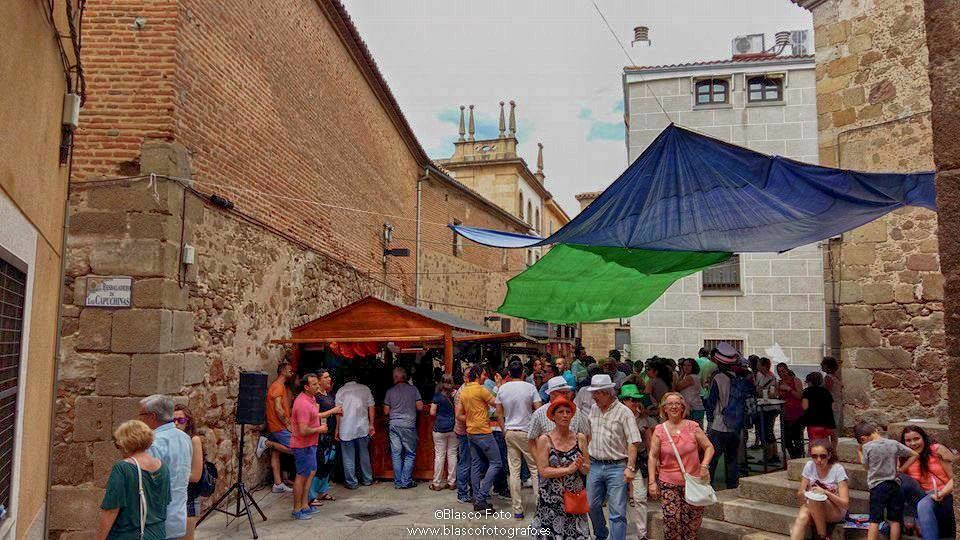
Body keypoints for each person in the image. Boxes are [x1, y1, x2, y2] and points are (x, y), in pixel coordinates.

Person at [648, 392, 714, 540]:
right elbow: (652, 456)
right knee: (672, 522)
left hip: (693, 483)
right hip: (669, 483)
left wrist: (704, 466)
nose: (674, 407)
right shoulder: (659, 430)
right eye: (670, 404)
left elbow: (709, 447)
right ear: (664, 408)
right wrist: (652, 481)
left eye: (677, 403)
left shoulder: (693, 426)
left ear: (683, 407)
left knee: (692, 525)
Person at [585, 374, 642, 540]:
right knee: (591, 505)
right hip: (595, 465)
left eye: (597, 393)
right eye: (593, 393)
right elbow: (589, 434)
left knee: (617, 511)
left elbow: (633, 442)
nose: (593, 396)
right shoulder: (594, 409)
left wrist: (630, 468)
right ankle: (601, 535)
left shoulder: (624, 412)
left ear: (608, 392)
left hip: (617, 466)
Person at [97, 420, 171, 540]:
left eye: (117, 444)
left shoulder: (122, 468)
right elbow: (165, 502)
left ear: (125, 442)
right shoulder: (163, 466)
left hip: (129, 534)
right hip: (158, 534)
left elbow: (111, 510)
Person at [530, 398, 591, 539]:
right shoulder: (545, 440)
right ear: (553, 416)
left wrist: (581, 466)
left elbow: (587, 469)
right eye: (561, 412)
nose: (565, 415)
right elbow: (543, 470)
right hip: (551, 499)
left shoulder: (579, 438)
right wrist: (568, 470)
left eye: (568, 412)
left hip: (574, 499)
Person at [854, 422, 919, 540]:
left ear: (863, 438)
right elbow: (914, 454)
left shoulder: (867, 447)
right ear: (876, 430)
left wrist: (859, 451)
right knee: (895, 520)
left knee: (874, 520)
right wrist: (902, 469)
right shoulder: (893, 443)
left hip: (878, 486)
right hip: (895, 484)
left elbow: (865, 466)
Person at [140, 394, 192, 539]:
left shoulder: (154, 442)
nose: (140, 420)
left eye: (141, 415)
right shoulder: (185, 438)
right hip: (177, 516)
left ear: (152, 416)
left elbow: (149, 484)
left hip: (157, 520)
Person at [495, 360, 542, 518]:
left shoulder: (502, 389)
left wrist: (504, 430)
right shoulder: (530, 388)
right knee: (534, 469)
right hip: (527, 432)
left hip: (510, 431)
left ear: (508, 373)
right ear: (523, 372)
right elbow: (539, 410)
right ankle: (539, 505)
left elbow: (499, 413)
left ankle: (517, 509)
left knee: (514, 471)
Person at [704, 343, 753, 489]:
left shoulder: (718, 378)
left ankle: (708, 487)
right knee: (732, 459)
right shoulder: (738, 378)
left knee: (712, 458)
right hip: (735, 425)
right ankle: (732, 486)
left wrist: (711, 421)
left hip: (719, 424)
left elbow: (711, 402)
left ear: (718, 361)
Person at [457, 364, 502, 511]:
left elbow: (458, 415)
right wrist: (499, 386)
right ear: (477, 375)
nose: (485, 377)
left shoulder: (463, 391)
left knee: (475, 465)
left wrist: (471, 418)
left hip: (471, 431)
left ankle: (476, 497)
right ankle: (481, 496)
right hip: (483, 431)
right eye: (483, 374)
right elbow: (497, 403)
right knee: (496, 462)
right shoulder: (481, 390)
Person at [898, 425, 955, 539]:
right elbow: (897, 476)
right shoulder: (904, 457)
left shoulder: (937, 450)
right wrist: (913, 457)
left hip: (942, 495)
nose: (913, 443)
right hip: (920, 495)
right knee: (899, 479)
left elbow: (956, 478)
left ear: (923, 438)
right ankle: (906, 519)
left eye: (916, 439)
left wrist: (942, 493)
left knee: (924, 505)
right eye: (908, 440)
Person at [788, 440, 850, 540]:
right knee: (802, 517)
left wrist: (825, 493)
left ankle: (822, 535)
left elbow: (845, 504)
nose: (818, 460)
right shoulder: (809, 466)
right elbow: (800, 494)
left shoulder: (838, 469)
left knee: (814, 500)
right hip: (813, 507)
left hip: (835, 510)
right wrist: (803, 494)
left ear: (829, 455)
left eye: (823, 456)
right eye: (814, 456)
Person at [619, 384, 655, 540]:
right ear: (623, 401)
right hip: (618, 462)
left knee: (640, 497)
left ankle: (642, 534)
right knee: (618, 498)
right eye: (630, 399)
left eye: (636, 399)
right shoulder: (616, 418)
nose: (634, 402)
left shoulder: (643, 420)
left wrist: (653, 461)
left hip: (638, 462)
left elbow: (649, 442)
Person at [290, 373, 326, 520]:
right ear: (306, 387)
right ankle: (296, 509)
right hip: (302, 445)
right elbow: (303, 430)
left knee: (309, 475)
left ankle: (305, 505)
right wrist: (320, 430)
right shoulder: (302, 404)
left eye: (317, 383)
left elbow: (315, 416)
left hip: (311, 444)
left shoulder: (311, 399)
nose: (317, 386)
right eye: (314, 384)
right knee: (301, 476)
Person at [528, 376, 592, 455]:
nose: (567, 395)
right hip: (549, 463)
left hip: (574, 462)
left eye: (567, 392)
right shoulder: (539, 413)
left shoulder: (576, 411)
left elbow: (586, 436)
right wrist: (538, 461)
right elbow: (531, 439)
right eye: (563, 392)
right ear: (552, 394)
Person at [257, 361, 295, 493]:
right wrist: (287, 424)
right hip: (278, 426)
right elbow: (278, 409)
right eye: (289, 369)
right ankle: (267, 443)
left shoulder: (279, 386)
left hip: (274, 425)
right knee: (294, 449)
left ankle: (277, 483)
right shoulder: (278, 386)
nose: (292, 370)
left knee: (276, 454)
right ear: (282, 370)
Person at [383, 366, 423, 489]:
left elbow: (385, 411)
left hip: (394, 425)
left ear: (396, 377)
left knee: (396, 454)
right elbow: (420, 407)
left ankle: (398, 482)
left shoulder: (390, 391)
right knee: (410, 453)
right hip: (408, 425)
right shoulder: (413, 390)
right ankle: (406, 481)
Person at [335, 371, 376, 489]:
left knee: (348, 456)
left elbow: (338, 411)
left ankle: (352, 483)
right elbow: (371, 406)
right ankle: (367, 479)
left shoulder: (341, 391)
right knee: (364, 454)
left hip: (346, 429)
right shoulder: (365, 389)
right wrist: (371, 424)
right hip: (363, 427)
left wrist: (337, 428)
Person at [308, 369, 342, 507]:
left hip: (330, 433)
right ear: (319, 380)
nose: (329, 379)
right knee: (319, 463)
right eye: (326, 377)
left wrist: (337, 429)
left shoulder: (328, 395)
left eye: (329, 377)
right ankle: (312, 494)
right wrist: (333, 411)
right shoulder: (315, 397)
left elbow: (336, 413)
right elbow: (316, 415)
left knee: (329, 462)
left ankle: (322, 491)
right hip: (320, 434)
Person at [172, 406, 203, 539]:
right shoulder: (170, 440)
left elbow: (196, 476)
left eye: (181, 420)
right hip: (174, 496)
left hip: (189, 496)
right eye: (173, 420)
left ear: (188, 422)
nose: (176, 423)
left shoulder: (193, 440)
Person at [429, 373, 458, 491]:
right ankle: (452, 482)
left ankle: (436, 483)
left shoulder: (437, 396)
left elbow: (432, 412)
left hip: (440, 428)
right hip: (453, 428)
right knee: (452, 454)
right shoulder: (455, 396)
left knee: (440, 455)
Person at [800, 372, 836, 451]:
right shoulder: (826, 392)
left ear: (810, 382)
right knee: (825, 442)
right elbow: (833, 407)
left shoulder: (807, 392)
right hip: (828, 424)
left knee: (814, 446)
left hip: (814, 424)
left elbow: (804, 407)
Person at [775, 363, 805, 459]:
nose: (781, 373)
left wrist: (789, 389)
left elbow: (800, 396)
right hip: (785, 412)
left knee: (797, 437)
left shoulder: (795, 380)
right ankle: (793, 457)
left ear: (787, 370)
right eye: (779, 371)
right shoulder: (779, 383)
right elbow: (777, 396)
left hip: (797, 412)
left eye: (783, 371)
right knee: (786, 439)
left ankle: (799, 457)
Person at [753, 357, 779, 461]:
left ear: (764, 365)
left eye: (759, 364)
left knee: (768, 431)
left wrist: (761, 391)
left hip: (770, 407)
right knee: (762, 431)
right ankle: (769, 454)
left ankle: (772, 455)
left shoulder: (771, 377)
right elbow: (757, 388)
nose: (758, 366)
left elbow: (771, 393)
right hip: (761, 407)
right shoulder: (759, 375)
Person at [452, 374, 473, 503]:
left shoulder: (463, 390)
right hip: (465, 431)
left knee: (468, 461)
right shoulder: (463, 392)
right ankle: (462, 492)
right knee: (465, 462)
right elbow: (459, 415)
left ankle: (468, 491)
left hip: (465, 430)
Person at [673, 358, 704, 427]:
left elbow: (677, 387)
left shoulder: (690, 377)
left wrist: (681, 374)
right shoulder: (695, 376)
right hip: (695, 407)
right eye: (684, 365)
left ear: (693, 366)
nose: (686, 367)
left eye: (689, 365)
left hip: (693, 408)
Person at [821, 357, 843, 433]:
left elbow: (826, 391)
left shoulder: (828, 377)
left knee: (829, 428)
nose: (821, 366)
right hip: (836, 403)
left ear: (827, 366)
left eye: (823, 364)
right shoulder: (836, 377)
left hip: (830, 405)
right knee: (833, 428)